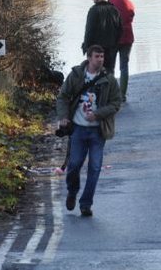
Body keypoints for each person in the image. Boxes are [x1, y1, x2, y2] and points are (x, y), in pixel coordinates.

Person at [56, 45, 122, 217]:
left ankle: (85, 204)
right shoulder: (76, 75)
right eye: (97, 56)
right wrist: (63, 116)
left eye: (102, 56)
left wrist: (98, 114)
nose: (100, 59)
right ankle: (72, 191)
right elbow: (63, 97)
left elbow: (116, 103)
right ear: (89, 58)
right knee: (74, 165)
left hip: (98, 131)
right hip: (78, 129)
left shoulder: (109, 80)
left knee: (95, 167)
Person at [81, 0, 122, 72]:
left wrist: (86, 47)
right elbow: (120, 29)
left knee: (96, 72)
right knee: (109, 72)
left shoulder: (94, 10)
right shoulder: (114, 10)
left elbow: (89, 30)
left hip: (97, 49)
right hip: (111, 48)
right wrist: (115, 45)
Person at [108, 0, 135, 100]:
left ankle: (112, 93)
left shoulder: (111, 3)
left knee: (111, 66)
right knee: (124, 66)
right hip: (127, 37)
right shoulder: (129, 3)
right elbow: (130, 17)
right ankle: (122, 94)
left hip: (114, 38)